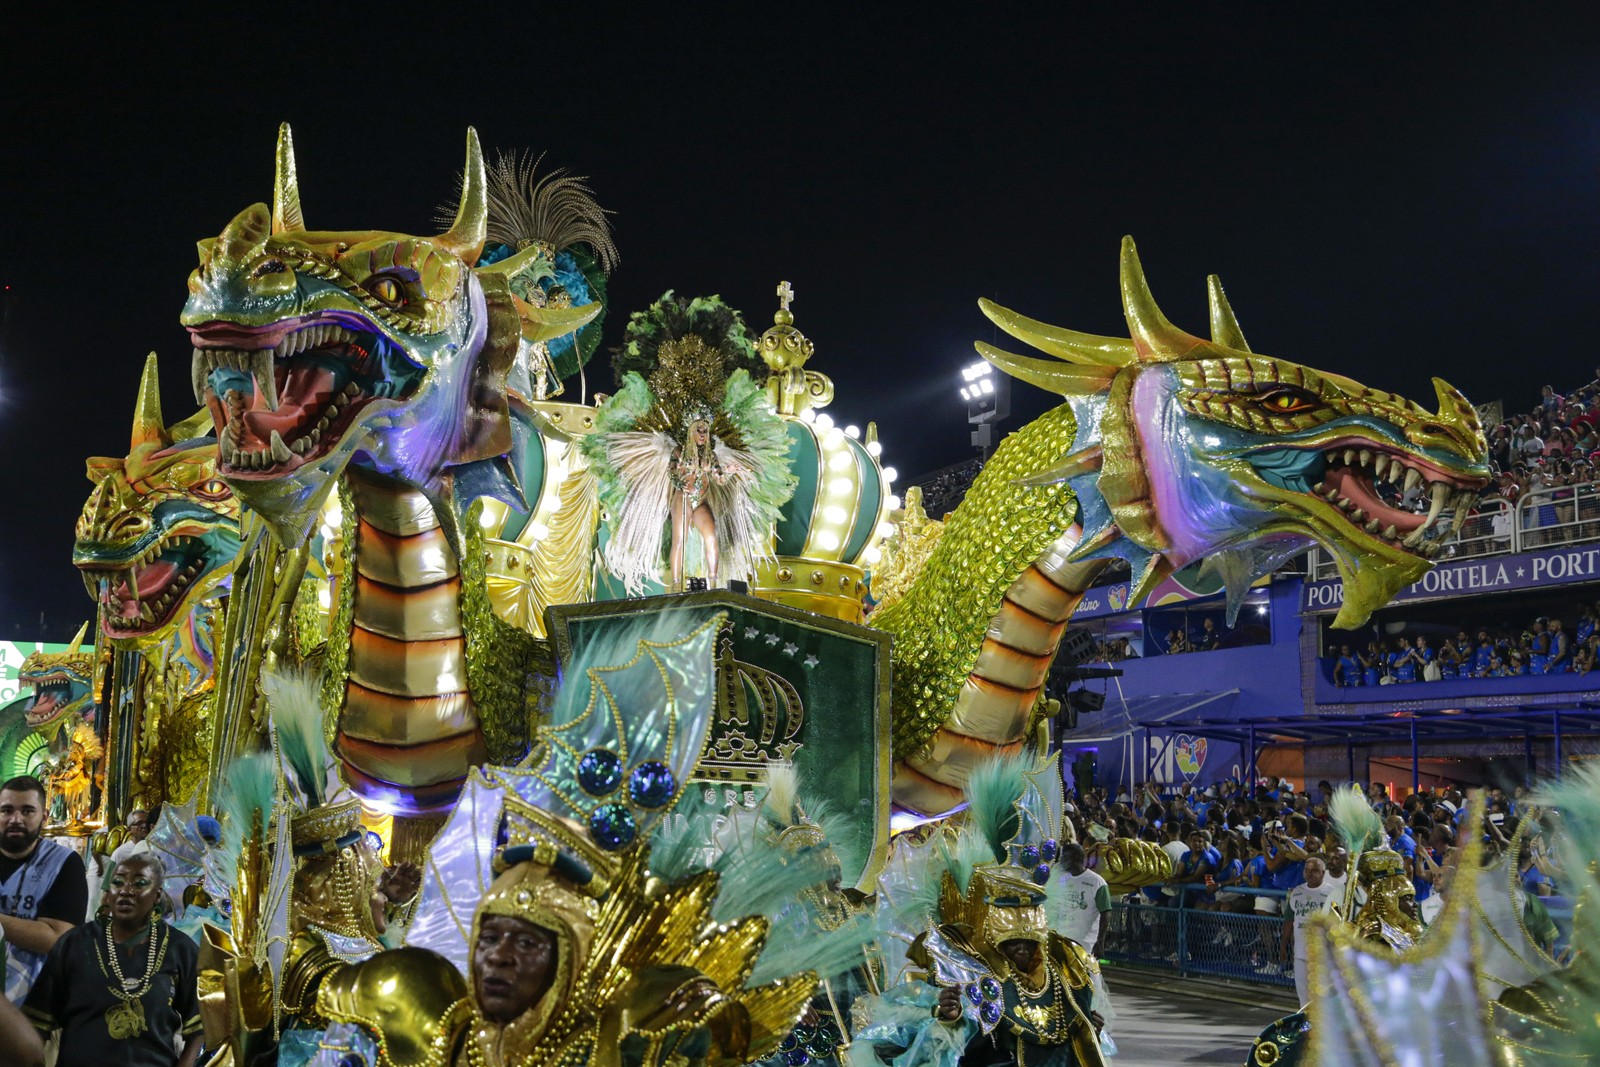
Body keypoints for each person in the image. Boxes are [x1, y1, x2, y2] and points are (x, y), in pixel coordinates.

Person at [23, 851, 201, 1067]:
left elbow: (200, 1028)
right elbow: (38, 1021)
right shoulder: (74, 944)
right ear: (108, 893)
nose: (126, 891)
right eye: (118, 882)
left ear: (156, 895)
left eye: (139, 883)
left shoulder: (180, 949)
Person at [1, 776, 87, 1004]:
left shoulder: (64, 863)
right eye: (6, 811)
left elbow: (58, 938)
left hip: (37, 997)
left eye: (27, 811)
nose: (15, 819)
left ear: (44, 817)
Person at [1280, 856, 1337, 1006]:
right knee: (1303, 996)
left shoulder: (1332, 893)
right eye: (1307, 870)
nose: (1310, 873)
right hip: (1300, 954)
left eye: (1315, 871)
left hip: (1322, 955)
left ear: (1323, 873)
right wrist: (1283, 945)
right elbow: (1289, 920)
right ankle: (1307, 1026)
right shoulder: (1297, 892)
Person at [1056, 844, 1110, 956]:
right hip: (1061, 942)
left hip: (1085, 946)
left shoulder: (1096, 882)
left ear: (1076, 858)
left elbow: (1105, 913)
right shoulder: (1062, 880)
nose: (1061, 861)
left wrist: (1101, 942)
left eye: (1064, 857)